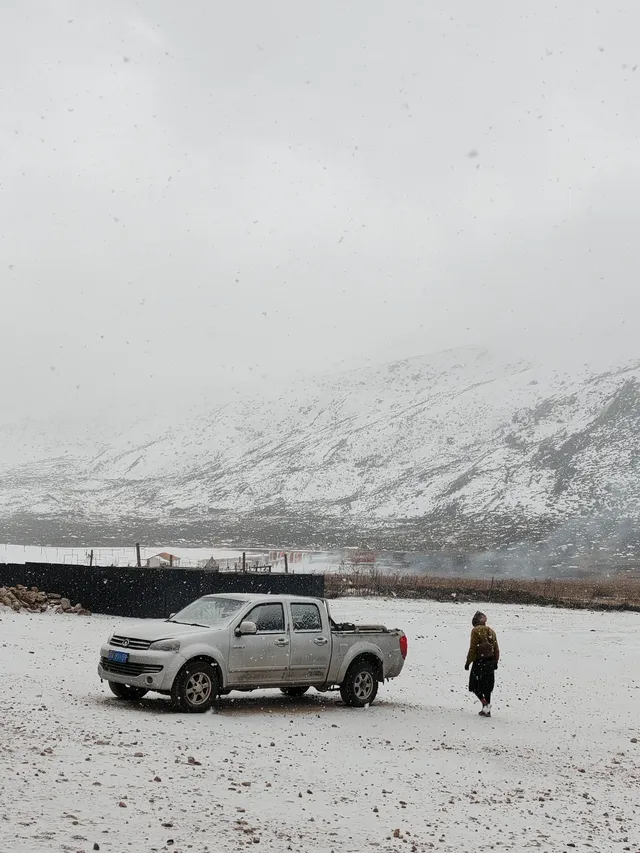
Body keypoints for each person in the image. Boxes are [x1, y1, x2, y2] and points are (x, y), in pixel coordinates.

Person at [465, 611, 499, 717]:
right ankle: (487, 711)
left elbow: (473, 649)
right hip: (490, 661)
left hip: (479, 662)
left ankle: (485, 704)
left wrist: (468, 662)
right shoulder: (491, 631)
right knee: (487, 687)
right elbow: (496, 648)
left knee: (474, 685)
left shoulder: (476, 631)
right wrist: (496, 661)